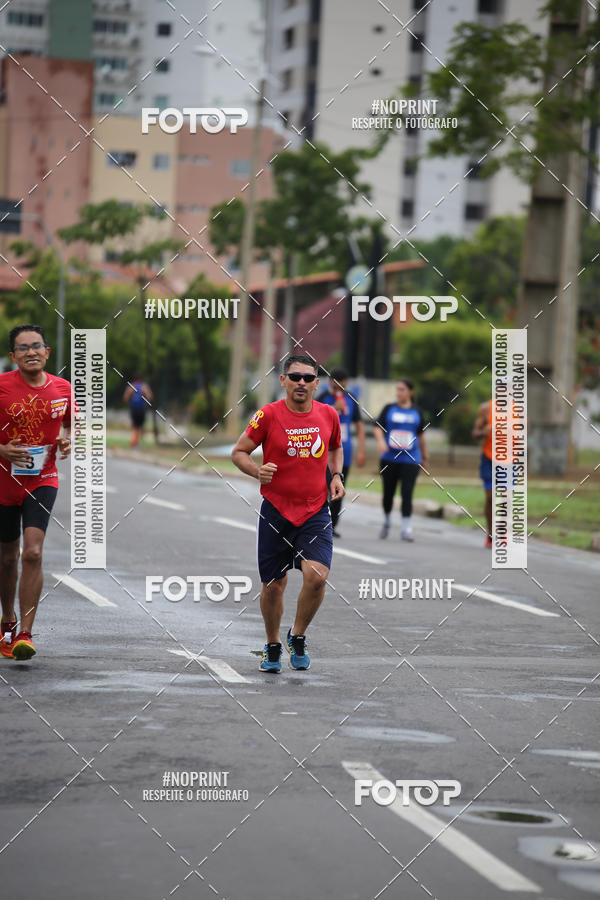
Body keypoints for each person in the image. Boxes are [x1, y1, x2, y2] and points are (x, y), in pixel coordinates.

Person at [231, 354, 344, 673]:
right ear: (283, 380)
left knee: (317, 577)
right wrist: (256, 471)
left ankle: (298, 635)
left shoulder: (328, 414)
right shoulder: (267, 415)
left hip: (315, 509)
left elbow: (335, 446)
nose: (301, 383)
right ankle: (271, 644)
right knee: (273, 585)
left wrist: (336, 476)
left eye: (308, 378)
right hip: (276, 512)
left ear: (317, 384)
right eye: (295, 377)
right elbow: (238, 452)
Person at [0, 325, 72, 660]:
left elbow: (71, 423)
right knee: (7, 557)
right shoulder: (2, 387)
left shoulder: (63, 388)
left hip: (42, 478)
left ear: (47, 352)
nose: (31, 351)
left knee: (32, 553)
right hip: (3, 482)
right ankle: (7, 620)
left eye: (36, 346)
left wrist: (66, 439)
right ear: (13, 356)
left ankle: (25, 634)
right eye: (23, 347)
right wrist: (3, 450)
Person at [375, 378, 428, 541]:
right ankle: (386, 521)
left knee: (407, 493)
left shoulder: (417, 411)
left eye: (402, 389)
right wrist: (381, 442)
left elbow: (421, 435)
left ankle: (406, 528)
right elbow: (378, 428)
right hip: (389, 458)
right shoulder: (389, 409)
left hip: (411, 459)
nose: (399, 393)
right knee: (388, 493)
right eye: (397, 389)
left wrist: (425, 457)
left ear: (410, 392)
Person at [316, 368, 366, 537]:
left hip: (344, 451)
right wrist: (333, 409)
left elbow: (359, 425)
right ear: (330, 382)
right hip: (323, 452)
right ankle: (318, 524)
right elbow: (314, 419)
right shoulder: (323, 398)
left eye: (343, 384)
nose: (340, 388)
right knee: (322, 489)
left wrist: (362, 450)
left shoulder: (351, 398)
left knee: (338, 488)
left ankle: (332, 526)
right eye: (336, 384)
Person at [123, 376, 152, 448]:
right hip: (141, 409)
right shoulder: (144, 386)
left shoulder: (131, 386)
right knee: (138, 427)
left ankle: (134, 442)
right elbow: (149, 397)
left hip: (134, 409)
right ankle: (135, 443)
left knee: (134, 426)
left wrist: (131, 400)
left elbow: (125, 398)